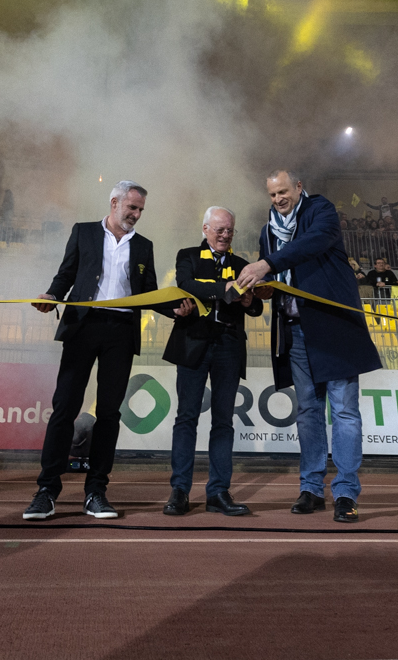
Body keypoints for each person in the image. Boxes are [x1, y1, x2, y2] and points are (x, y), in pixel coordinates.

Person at [236, 169, 381, 524]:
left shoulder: (321, 210)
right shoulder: (268, 230)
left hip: (334, 328)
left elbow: (313, 242)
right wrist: (262, 287)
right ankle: (311, 488)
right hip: (294, 330)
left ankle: (345, 492)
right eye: (272, 195)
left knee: (344, 412)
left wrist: (268, 263)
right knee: (308, 413)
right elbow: (271, 274)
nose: (278, 199)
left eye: (283, 191)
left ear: (299, 188)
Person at [24, 181, 160, 522]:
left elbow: (152, 293)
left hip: (121, 333)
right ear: (114, 202)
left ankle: (96, 491)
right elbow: (66, 273)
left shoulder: (144, 246)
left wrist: (180, 308)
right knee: (64, 407)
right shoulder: (83, 232)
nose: (136, 214)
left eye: (140, 209)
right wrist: (52, 295)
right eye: (132, 207)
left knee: (110, 414)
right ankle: (46, 491)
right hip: (82, 327)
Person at [161, 206, 263, 518]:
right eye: (219, 229)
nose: (225, 235)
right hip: (193, 344)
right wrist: (226, 290)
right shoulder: (188, 255)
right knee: (186, 417)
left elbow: (256, 307)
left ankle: (218, 491)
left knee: (223, 421)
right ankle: (180, 490)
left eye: (229, 230)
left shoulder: (243, 264)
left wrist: (249, 300)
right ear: (205, 229)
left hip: (229, 347)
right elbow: (187, 285)